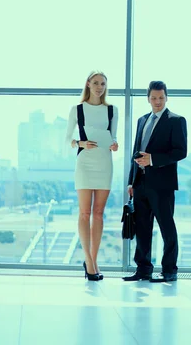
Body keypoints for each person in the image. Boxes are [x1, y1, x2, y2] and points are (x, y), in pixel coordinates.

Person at [123, 81, 187, 283]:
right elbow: (136, 150)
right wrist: (131, 181)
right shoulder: (142, 120)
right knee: (142, 228)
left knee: (167, 227)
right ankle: (143, 269)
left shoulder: (176, 120)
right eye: (153, 98)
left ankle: (169, 270)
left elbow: (180, 151)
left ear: (166, 97)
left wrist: (153, 159)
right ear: (148, 99)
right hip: (140, 182)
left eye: (160, 97)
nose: (157, 101)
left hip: (162, 184)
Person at [65, 71, 119, 281]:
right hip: (85, 163)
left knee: (98, 213)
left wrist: (114, 145)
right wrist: (80, 143)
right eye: (95, 83)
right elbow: (67, 138)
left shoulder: (112, 110)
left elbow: (113, 137)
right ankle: (88, 261)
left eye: (103, 84)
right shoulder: (77, 109)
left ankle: (94, 260)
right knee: (84, 213)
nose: (99, 87)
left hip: (104, 162)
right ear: (88, 84)